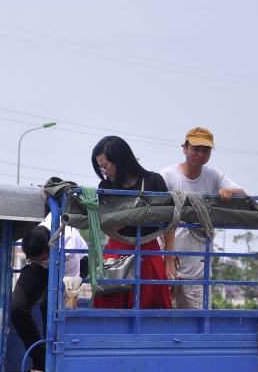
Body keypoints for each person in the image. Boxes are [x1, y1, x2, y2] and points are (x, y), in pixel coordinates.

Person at [159, 127, 247, 309]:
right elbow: (157, 216)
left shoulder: (214, 176)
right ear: (184, 148)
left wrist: (230, 192)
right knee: (157, 316)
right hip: (167, 263)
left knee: (196, 323)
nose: (200, 154)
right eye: (195, 149)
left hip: (197, 267)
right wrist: (169, 252)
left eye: (206, 150)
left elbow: (244, 196)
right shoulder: (167, 175)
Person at [90, 136, 173, 310]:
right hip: (116, 253)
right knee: (108, 310)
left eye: (105, 167)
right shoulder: (105, 186)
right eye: (100, 168)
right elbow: (110, 226)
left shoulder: (153, 181)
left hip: (149, 252)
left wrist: (169, 260)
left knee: (153, 311)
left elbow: (170, 220)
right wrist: (139, 212)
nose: (104, 172)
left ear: (119, 159)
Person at [11, 226, 51, 372]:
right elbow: (38, 261)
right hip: (44, 265)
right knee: (16, 308)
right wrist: (38, 262)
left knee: (49, 306)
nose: (37, 262)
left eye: (40, 258)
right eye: (33, 260)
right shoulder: (33, 236)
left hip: (67, 264)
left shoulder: (69, 244)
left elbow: (72, 281)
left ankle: (53, 368)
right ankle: (41, 365)